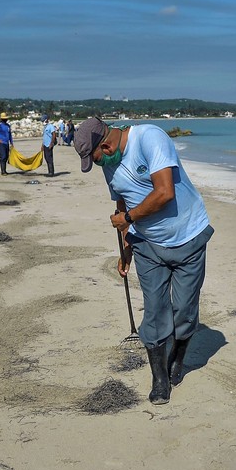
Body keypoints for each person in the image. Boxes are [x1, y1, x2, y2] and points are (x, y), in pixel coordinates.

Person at [73, 117, 214, 406]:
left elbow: (164, 192)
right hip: (148, 244)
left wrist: (126, 219)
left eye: (95, 158)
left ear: (107, 144)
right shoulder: (109, 162)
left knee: (185, 309)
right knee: (155, 310)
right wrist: (126, 248)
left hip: (188, 234)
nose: (98, 164)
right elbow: (123, 201)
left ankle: (179, 351)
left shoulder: (150, 137)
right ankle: (159, 377)